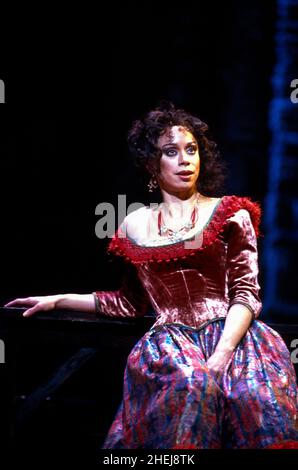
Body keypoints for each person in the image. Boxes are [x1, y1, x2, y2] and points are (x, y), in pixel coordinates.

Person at [5, 102, 298, 449]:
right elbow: (129, 302)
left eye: (191, 150)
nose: (185, 160)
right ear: (151, 164)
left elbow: (246, 292)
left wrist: (222, 353)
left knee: (253, 397)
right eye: (171, 152)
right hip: (170, 344)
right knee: (191, 386)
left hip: (234, 336)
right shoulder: (134, 224)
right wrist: (58, 299)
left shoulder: (231, 213)